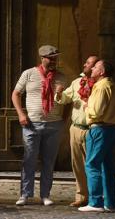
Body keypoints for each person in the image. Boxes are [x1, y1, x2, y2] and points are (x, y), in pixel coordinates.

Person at [12, 45, 67, 206]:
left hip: (53, 124)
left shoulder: (62, 77)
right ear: (42, 58)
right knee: (29, 159)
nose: (53, 61)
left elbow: (68, 100)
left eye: (55, 58)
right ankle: (25, 194)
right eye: (50, 58)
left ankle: (45, 195)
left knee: (49, 161)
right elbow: (16, 94)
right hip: (32, 124)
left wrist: (64, 116)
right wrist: (21, 114)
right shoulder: (29, 74)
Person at [78, 60, 115, 213]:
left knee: (92, 164)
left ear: (102, 72)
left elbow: (96, 111)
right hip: (111, 129)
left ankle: (95, 202)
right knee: (107, 167)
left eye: (95, 67)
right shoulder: (114, 86)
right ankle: (110, 203)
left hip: (99, 128)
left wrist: (86, 107)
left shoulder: (101, 87)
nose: (92, 68)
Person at [54, 55, 98, 207]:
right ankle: (81, 196)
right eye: (85, 62)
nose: (84, 64)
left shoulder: (101, 85)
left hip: (92, 129)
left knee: (92, 165)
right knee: (77, 164)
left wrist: (110, 120)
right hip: (76, 128)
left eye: (88, 63)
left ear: (95, 68)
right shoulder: (77, 83)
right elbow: (66, 98)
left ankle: (95, 197)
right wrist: (59, 93)